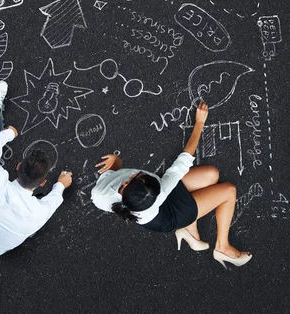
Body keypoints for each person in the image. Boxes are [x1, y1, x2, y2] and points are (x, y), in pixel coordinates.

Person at [91, 101, 252, 268]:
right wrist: (200, 122)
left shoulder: (106, 191)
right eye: (136, 177)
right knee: (228, 191)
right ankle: (222, 247)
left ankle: (190, 231)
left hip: (154, 201)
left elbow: (117, 172)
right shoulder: (162, 188)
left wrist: (117, 162)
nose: (133, 173)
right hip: (174, 216)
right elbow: (184, 159)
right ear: (127, 185)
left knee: (212, 174)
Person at [0, 80, 73, 258]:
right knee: (24, 224)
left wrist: (8, 134)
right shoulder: (37, 212)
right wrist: (61, 184)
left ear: (17, 167)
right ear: (43, 182)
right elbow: (54, 200)